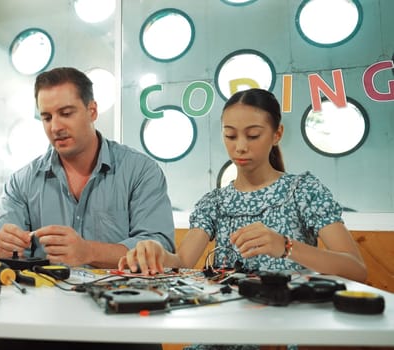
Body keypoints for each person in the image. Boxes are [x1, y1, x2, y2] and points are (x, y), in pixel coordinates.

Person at [0, 67, 175, 350]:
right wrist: (5, 247)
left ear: (92, 111)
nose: (55, 126)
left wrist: (88, 252)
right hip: (38, 320)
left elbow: (158, 248)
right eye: (46, 117)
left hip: (122, 318)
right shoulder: (21, 181)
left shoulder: (140, 171)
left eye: (66, 113)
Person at [119, 88, 367, 284]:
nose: (240, 147)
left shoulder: (302, 190)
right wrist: (157, 253)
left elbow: (356, 270)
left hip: (286, 331)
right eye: (230, 135)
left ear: (277, 134)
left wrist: (286, 246)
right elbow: (183, 261)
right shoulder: (214, 202)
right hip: (225, 329)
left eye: (253, 135)